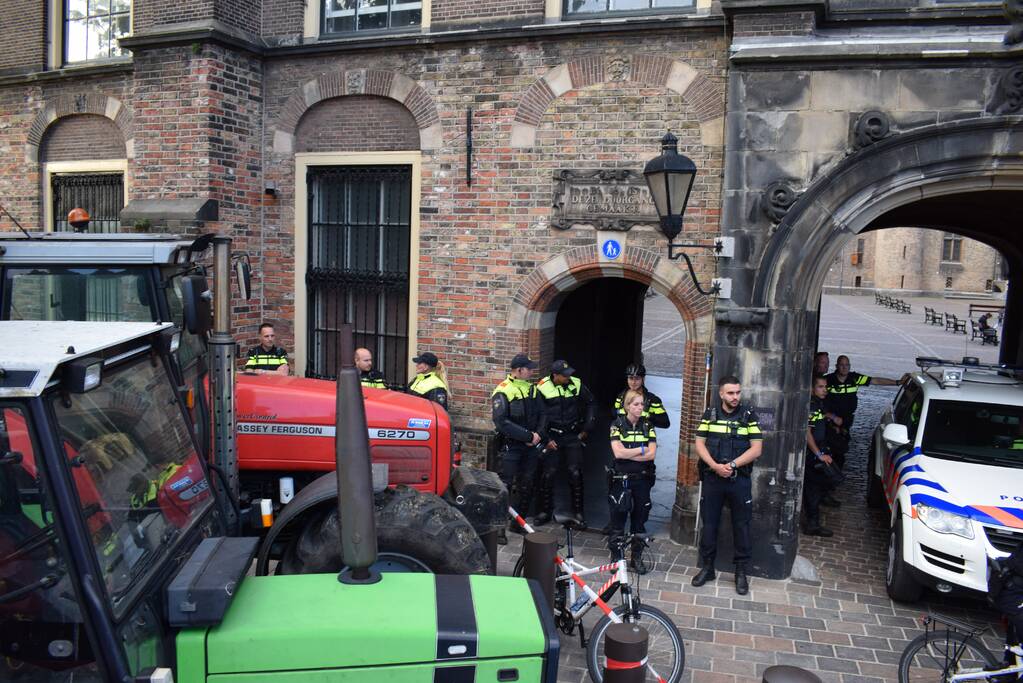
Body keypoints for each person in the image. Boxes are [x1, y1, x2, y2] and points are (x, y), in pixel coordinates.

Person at [692, 375, 762, 595]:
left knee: (742, 525)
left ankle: (740, 572)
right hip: (713, 478)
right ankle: (707, 567)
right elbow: (699, 443)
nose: (735, 397)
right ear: (721, 394)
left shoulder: (749, 416)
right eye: (730, 393)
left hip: (738, 480)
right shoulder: (710, 414)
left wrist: (731, 464)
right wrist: (714, 466)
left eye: (738, 392)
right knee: (709, 524)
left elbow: (756, 448)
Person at [533, 359, 596, 527]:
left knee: (575, 473)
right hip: (552, 435)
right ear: (555, 375)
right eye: (565, 375)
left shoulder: (576, 384)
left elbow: (591, 402)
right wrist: (545, 439)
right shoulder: (542, 387)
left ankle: (578, 512)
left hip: (572, 435)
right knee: (548, 473)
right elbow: (537, 415)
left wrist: (587, 427)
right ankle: (545, 511)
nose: (569, 377)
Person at [492, 353, 547, 540]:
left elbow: (543, 413)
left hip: (531, 446)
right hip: (511, 446)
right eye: (529, 368)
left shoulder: (532, 389)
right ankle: (499, 527)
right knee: (504, 485)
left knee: (527, 483)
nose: (532, 371)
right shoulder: (503, 390)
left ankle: (518, 522)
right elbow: (501, 422)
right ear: (519, 370)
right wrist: (528, 436)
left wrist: (538, 435)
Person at [608, 389, 658, 575]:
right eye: (636, 404)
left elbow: (653, 453)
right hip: (621, 480)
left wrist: (632, 454)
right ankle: (616, 557)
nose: (640, 408)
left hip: (642, 480)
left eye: (642, 404)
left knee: (640, 519)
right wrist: (642, 450)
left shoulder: (648, 425)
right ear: (627, 406)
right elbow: (618, 453)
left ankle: (636, 557)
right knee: (618, 518)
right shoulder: (617, 425)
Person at [824, 355, 902, 471]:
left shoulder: (854, 378)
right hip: (831, 420)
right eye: (842, 365)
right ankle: (830, 473)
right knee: (832, 446)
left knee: (842, 448)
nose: (844, 368)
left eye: (847, 365)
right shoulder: (828, 380)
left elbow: (875, 380)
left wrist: (897, 382)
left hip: (846, 420)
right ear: (836, 366)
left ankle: (835, 472)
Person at [804, 376, 836, 537]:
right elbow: (807, 432)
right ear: (812, 388)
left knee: (815, 488)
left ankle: (813, 522)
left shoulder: (818, 404)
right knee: (813, 490)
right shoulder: (811, 405)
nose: (825, 389)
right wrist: (818, 454)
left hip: (818, 450)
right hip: (812, 455)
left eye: (826, 386)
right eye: (821, 387)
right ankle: (812, 524)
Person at [613, 363, 670, 429]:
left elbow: (665, 423)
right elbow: (614, 413)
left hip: (644, 438)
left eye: (637, 378)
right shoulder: (621, 396)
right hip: (623, 438)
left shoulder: (652, 399)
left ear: (643, 379)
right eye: (631, 378)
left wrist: (647, 416)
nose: (633, 382)